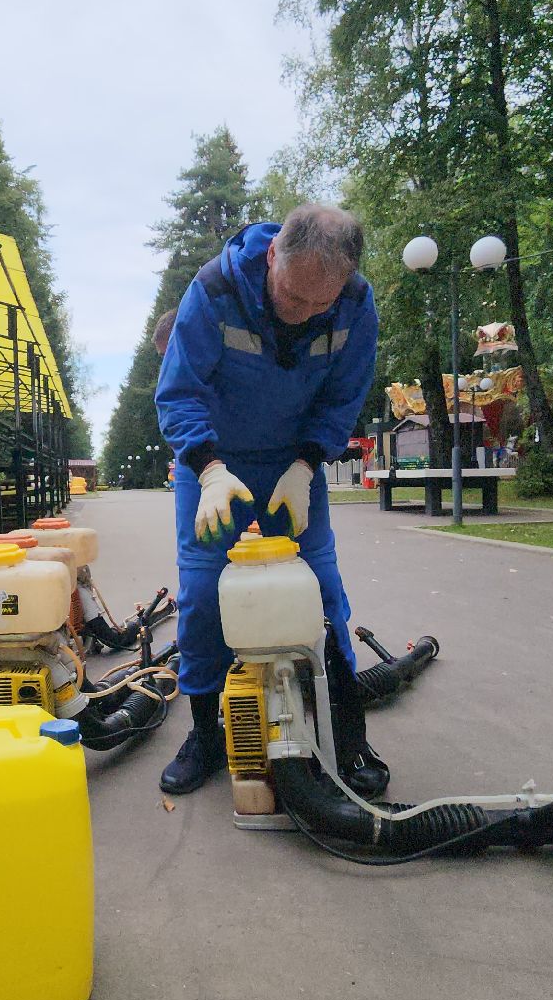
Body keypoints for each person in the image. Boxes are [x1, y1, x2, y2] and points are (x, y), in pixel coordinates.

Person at [153, 203, 388, 797]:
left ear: (344, 282)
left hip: (292, 468)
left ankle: (347, 734)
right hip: (217, 466)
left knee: (322, 591)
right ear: (272, 254)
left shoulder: (356, 305)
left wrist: (308, 464)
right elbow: (179, 390)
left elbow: (344, 396)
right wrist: (207, 468)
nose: (302, 312)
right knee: (203, 596)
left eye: (318, 304)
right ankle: (205, 732)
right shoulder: (214, 290)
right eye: (292, 295)